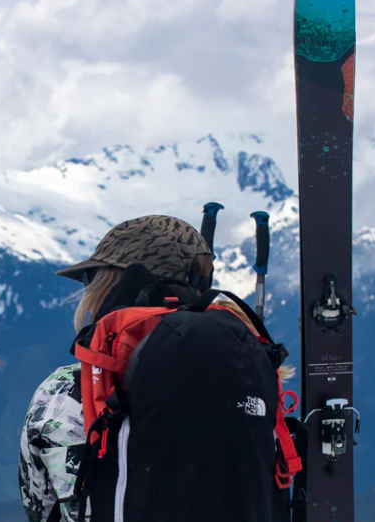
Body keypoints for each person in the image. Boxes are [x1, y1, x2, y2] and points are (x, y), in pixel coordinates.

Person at [17, 215, 292, 522]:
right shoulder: (257, 377)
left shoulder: (65, 391)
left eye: (91, 279)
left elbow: (41, 505)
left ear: (111, 286)